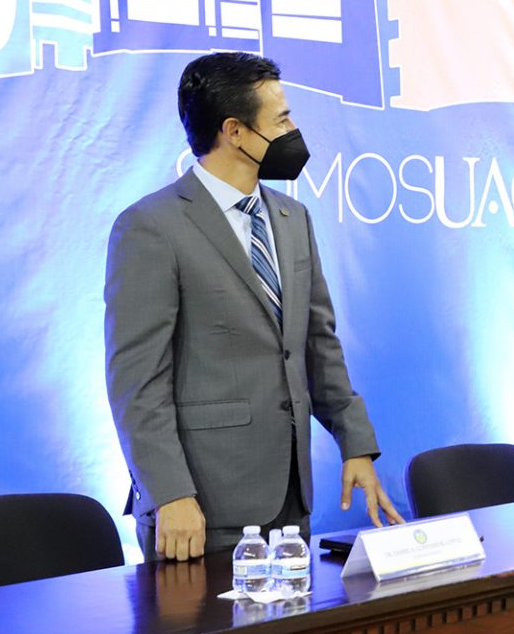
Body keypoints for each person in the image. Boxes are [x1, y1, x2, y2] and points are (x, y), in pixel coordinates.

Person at [105, 53, 402, 563]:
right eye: (282, 119)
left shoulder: (293, 218)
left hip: (290, 502)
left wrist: (356, 444)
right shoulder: (150, 227)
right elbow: (136, 383)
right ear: (235, 131)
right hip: (200, 509)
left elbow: (317, 345)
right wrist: (170, 492)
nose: (293, 130)